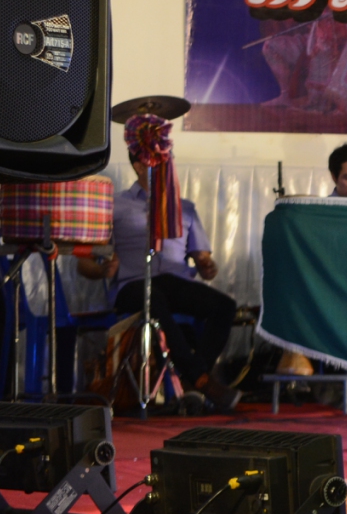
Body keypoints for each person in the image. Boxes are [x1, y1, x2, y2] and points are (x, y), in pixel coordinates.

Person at [77, 121, 241, 413]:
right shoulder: (114, 206)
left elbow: (204, 260)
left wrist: (207, 266)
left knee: (224, 306)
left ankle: (194, 380)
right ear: (140, 165)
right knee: (155, 298)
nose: (167, 167)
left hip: (174, 281)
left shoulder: (184, 208)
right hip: (132, 284)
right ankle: (201, 380)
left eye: (168, 161)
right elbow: (83, 263)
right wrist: (102, 270)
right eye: (159, 161)